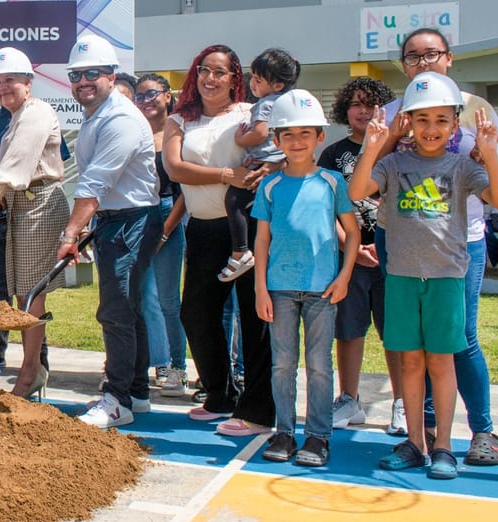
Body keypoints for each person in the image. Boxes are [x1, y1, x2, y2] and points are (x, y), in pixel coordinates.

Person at [352, 72, 498, 480]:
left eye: (442, 120)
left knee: (442, 362)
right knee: (410, 362)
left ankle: (443, 446)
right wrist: (372, 147)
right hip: (402, 276)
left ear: (456, 124)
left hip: (446, 277)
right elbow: (356, 193)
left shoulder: (461, 166)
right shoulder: (393, 162)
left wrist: (491, 153)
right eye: (422, 120)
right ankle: (416, 443)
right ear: (408, 122)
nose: (432, 129)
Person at [162, 44, 276, 436]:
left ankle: (259, 409)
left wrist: (261, 171)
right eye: (203, 71)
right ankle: (220, 395)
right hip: (203, 228)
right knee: (195, 313)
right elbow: (176, 169)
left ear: (234, 78)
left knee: (254, 317)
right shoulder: (179, 120)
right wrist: (228, 175)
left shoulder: (250, 115)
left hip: (248, 227)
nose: (210, 79)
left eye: (220, 72)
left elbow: (272, 152)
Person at [53, 36, 161, 429]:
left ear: (111, 76)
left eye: (91, 74)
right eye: (76, 75)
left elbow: (94, 184)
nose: (82, 81)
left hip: (132, 220)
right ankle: (136, 391)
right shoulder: (98, 113)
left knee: (115, 311)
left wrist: (69, 235)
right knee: (128, 309)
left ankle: (117, 400)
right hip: (117, 219)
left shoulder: (120, 119)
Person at [254, 90, 359, 467]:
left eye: (305, 134)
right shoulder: (270, 186)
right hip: (279, 290)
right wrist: (260, 288)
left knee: (318, 364)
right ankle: (284, 430)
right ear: (276, 140)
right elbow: (262, 239)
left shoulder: (332, 182)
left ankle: (318, 436)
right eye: (287, 135)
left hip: (322, 290)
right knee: (282, 364)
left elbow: (353, 232)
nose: (296, 142)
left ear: (319, 138)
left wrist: (344, 276)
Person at [0, 47, 69, 399]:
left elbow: (17, 160)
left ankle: (30, 372)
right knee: (23, 294)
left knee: (31, 294)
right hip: (22, 206)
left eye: (10, 80)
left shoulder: (37, 113)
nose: (2, 87)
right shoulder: (15, 115)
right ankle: (34, 366)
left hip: (39, 204)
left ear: (28, 82)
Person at [318, 77, 405, 436]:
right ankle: (348, 399)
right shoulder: (332, 154)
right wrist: (349, 248)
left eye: (371, 104)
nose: (363, 110)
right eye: (356, 103)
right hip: (349, 257)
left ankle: (403, 401)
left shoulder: (400, 150)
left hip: (393, 255)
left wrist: (382, 249)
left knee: (396, 335)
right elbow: (325, 209)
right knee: (348, 331)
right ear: (344, 109)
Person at [220, 48, 300, 282]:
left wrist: (240, 139)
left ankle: (240, 252)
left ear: (276, 85)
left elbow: (259, 134)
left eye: (258, 79)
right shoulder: (287, 103)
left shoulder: (265, 104)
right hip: (278, 164)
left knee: (234, 200)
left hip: (264, 163)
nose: (252, 83)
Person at [133, 72, 189, 397]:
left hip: (170, 211)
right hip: (140, 212)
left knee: (169, 298)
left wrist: (166, 231)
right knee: (144, 298)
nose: (146, 101)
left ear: (168, 95)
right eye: (140, 96)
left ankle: (178, 368)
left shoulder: (178, 130)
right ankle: (157, 362)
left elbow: (184, 191)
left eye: (152, 94)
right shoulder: (136, 132)